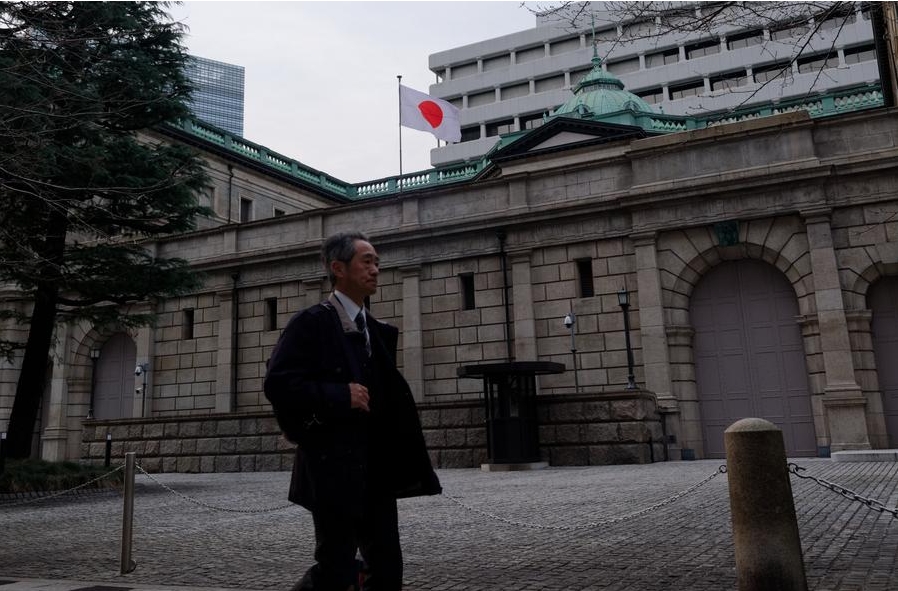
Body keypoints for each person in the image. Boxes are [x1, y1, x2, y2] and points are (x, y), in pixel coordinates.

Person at [264, 231, 441, 591]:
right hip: (332, 469)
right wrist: (338, 395)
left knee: (388, 567)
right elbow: (278, 384)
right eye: (367, 261)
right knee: (335, 568)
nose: (376, 269)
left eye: (377, 261)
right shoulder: (312, 322)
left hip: (375, 470)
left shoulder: (376, 330)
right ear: (337, 268)